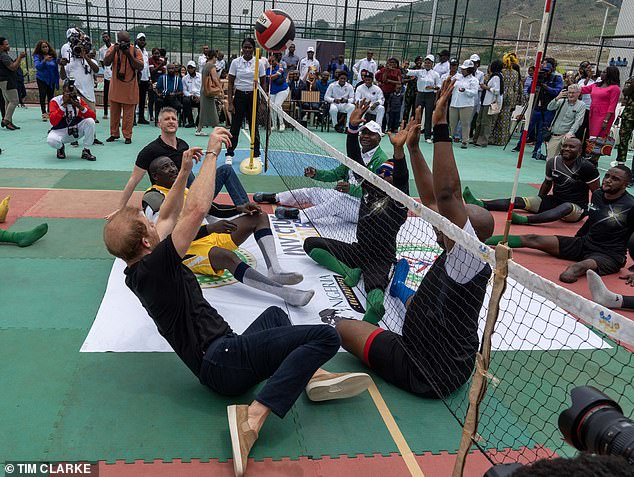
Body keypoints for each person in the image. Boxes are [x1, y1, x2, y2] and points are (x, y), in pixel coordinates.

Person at [103, 128, 371, 477]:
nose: (151, 221)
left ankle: (312, 375)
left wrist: (184, 170)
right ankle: (253, 417)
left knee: (276, 314)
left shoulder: (142, 268)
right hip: (222, 361)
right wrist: (213, 154)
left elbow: (167, 217)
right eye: (145, 222)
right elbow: (195, 209)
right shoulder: (157, 266)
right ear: (144, 243)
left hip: (221, 357)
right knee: (325, 337)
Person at [336, 85, 495, 400]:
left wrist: (441, 126)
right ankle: (403, 290)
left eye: (450, 222)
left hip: (425, 369)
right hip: (441, 350)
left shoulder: (468, 258)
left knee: (342, 328)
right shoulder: (462, 254)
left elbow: (447, 195)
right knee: (415, 302)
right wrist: (413, 149)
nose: (440, 221)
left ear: (465, 232)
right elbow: (433, 201)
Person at [142, 156, 314, 306]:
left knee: (259, 216)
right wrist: (210, 229)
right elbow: (166, 238)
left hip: (209, 235)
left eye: (172, 164)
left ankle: (275, 270)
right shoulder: (153, 196)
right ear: (155, 176)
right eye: (165, 167)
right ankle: (285, 293)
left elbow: (212, 208)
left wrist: (240, 208)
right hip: (185, 250)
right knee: (227, 257)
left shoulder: (183, 189)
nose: (172, 169)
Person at [303, 100, 409, 324]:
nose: (382, 176)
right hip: (359, 250)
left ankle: (374, 310)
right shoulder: (370, 188)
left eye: (387, 175)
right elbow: (354, 159)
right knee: (311, 244)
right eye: (380, 174)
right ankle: (348, 271)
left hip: (381, 258)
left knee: (374, 287)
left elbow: (401, 178)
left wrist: (399, 151)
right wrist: (351, 129)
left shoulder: (399, 202)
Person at [487, 165, 634, 283]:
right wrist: (577, 239)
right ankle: (481, 240)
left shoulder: (630, 206)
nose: (608, 180)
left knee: (574, 270)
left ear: (626, 184)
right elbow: (591, 221)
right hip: (584, 244)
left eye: (615, 179)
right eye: (607, 176)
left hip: (609, 256)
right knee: (532, 238)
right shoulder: (597, 195)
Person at [254, 106, 389, 225]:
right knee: (312, 192)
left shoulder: (381, 160)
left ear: (379, 137)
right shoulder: (356, 154)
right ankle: (275, 197)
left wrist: (350, 189)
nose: (365, 136)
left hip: (363, 210)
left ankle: (298, 214)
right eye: (363, 132)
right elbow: (336, 174)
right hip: (345, 197)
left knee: (338, 201)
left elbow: (375, 194)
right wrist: (316, 173)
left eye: (370, 134)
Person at [110, 107, 249, 217]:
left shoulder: (183, 145)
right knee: (185, 174)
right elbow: (133, 180)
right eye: (166, 119)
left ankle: (247, 209)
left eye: (173, 119)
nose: (171, 121)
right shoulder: (150, 151)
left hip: (192, 193)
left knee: (226, 170)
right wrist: (119, 209)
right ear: (159, 124)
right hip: (172, 199)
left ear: (177, 123)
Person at [465, 137, 599, 225]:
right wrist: (540, 200)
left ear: (580, 151)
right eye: (565, 146)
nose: (567, 149)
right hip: (555, 201)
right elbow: (547, 183)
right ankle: (482, 204)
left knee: (566, 206)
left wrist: (594, 215)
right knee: (522, 200)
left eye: (572, 147)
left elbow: (597, 193)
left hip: (575, 209)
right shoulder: (553, 162)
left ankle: (526, 220)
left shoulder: (587, 167)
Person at [225, 38, 265, 166]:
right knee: (235, 126)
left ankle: (257, 154)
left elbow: (263, 83)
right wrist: (230, 102)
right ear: (242, 48)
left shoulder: (259, 63)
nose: (247, 50)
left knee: (254, 126)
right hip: (240, 96)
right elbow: (230, 83)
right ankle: (229, 154)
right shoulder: (236, 63)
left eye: (250, 47)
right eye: (245, 47)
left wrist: (263, 102)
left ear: (254, 49)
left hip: (253, 96)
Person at [102, 30, 144, 144]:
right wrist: (115, 50)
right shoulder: (113, 48)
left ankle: (127, 136)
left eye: (127, 41)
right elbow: (106, 63)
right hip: (116, 88)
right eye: (122, 41)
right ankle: (114, 134)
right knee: (114, 113)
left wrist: (128, 54)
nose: (125, 44)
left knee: (128, 116)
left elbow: (140, 66)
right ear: (118, 41)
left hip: (130, 89)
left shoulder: (135, 50)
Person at [47, 79, 97, 161]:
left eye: (72, 92)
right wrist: (64, 105)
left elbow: (93, 117)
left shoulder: (78, 100)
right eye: (67, 92)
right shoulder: (55, 101)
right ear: (63, 91)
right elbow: (53, 121)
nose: (70, 95)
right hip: (60, 131)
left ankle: (86, 150)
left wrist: (79, 106)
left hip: (76, 130)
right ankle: (60, 147)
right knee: (51, 140)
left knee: (90, 122)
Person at [580, 66, 621, 165]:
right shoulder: (596, 85)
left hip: (604, 116)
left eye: (604, 72)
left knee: (600, 138)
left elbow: (612, 105)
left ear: (610, 75)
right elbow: (583, 89)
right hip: (593, 114)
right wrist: (571, 88)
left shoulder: (615, 88)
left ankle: (594, 160)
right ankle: (590, 157)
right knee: (592, 136)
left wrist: (606, 120)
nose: (601, 74)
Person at [543, 84, 586, 159]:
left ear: (578, 94)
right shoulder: (561, 101)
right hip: (555, 134)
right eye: (569, 92)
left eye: (573, 93)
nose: (570, 95)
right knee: (550, 159)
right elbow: (550, 108)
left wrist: (570, 133)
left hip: (567, 136)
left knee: (567, 159)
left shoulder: (581, 105)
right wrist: (557, 98)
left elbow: (578, 121)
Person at [406, 54, 441, 143]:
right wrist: (405, 67)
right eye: (425, 62)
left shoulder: (435, 74)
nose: (427, 64)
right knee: (417, 114)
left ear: (432, 64)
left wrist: (433, 88)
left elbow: (439, 86)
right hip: (420, 95)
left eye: (429, 63)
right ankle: (414, 134)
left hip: (430, 96)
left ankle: (427, 136)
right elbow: (408, 72)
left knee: (428, 115)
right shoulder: (420, 72)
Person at [490, 52, 521, 146]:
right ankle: (502, 140)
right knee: (505, 119)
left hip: (500, 95)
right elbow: (516, 88)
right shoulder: (515, 73)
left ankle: (492, 138)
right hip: (510, 97)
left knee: (494, 117)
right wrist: (514, 102)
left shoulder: (501, 72)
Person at [473, 59, 504, 148]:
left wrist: (486, 87)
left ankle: (483, 140)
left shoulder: (496, 77)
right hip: (485, 101)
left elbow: (497, 91)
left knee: (486, 122)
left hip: (490, 102)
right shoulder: (494, 76)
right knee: (480, 121)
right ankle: (476, 139)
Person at [449, 60, 480, 149]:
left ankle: (464, 141)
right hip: (454, 103)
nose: (462, 71)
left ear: (469, 70)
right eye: (462, 69)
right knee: (452, 123)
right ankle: (450, 138)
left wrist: (465, 91)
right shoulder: (458, 78)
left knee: (465, 123)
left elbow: (474, 92)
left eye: (464, 69)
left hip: (466, 104)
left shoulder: (474, 80)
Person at [0, 37, 26, 130]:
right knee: (14, 100)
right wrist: (20, 57)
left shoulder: (3, 55)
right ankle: (6, 120)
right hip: (7, 81)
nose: (8, 45)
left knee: (8, 101)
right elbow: (13, 67)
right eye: (6, 44)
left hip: (3, 81)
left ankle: (9, 122)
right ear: (1, 46)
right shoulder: (3, 56)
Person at [33, 40, 60, 121]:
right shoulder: (37, 56)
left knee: (51, 96)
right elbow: (38, 67)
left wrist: (57, 80)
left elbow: (55, 67)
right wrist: (44, 60)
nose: (45, 48)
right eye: (43, 47)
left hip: (51, 79)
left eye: (46, 46)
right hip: (42, 78)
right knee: (43, 94)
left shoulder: (52, 55)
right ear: (40, 48)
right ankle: (44, 112)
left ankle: (49, 112)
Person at [196, 51, 221, 136]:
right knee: (210, 110)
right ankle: (216, 128)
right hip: (208, 91)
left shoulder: (205, 65)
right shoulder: (211, 66)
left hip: (204, 90)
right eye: (216, 57)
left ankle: (200, 129)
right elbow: (214, 78)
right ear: (213, 57)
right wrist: (220, 88)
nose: (216, 59)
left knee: (205, 110)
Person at [266, 55, 289, 132]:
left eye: (272, 61)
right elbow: (269, 78)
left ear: (276, 61)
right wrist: (271, 76)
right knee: (272, 107)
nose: (271, 63)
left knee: (277, 105)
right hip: (272, 91)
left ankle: (282, 124)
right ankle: (274, 125)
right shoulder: (268, 69)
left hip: (283, 90)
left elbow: (273, 77)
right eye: (269, 61)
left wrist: (271, 76)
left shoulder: (280, 67)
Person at [615, 75, 634, 166]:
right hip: (629, 115)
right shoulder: (632, 79)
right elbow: (625, 92)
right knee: (623, 139)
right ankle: (620, 162)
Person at [576, 61, 594, 144]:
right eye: (588, 69)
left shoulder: (594, 81)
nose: (590, 70)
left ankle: (585, 150)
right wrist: (588, 78)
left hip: (592, 109)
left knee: (589, 130)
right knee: (581, 129)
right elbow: (582, 90)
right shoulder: (581, 81)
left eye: (590, 68)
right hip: (584, 108)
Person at [148, 47, 166, 122]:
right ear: (152, 54)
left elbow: (164, 72)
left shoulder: (162, 60)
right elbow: (152, 71)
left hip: (160, 82)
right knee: (151, 99)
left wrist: (159, 67)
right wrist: (161, 65)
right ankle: (151, 115)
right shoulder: (150, 60)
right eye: (155, 53)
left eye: (158, 53)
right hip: (152, 81)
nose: (157, 55)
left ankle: (159, 115)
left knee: (160, 99)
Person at [135, 33, 151, 124]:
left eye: (143, 39)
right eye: (140, 39)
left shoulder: (145, 52)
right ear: (137, 40)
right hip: (137, 78)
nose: (142, 41)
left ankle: (141, 117)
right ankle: (133, 118)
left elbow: (147, 66)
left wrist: (149, 77)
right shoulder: (134, 50)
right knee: (134, 98)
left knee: (142, 99)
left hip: (144, 78)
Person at [98, 32, 113, 119]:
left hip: (115, 75)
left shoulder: (115, 47)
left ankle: (119, 112)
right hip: (107, 75)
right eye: (103, 37)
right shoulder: (101, 50)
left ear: (109, 38)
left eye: (106, 37)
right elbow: (102, 62)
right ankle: (105, 113)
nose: (105, 38)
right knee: (106, 94)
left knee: (118, 94)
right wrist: (107, 69)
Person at [182, 60, 201, 128]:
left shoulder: (201, 77)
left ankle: (199, 122)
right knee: (185, 101)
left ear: (195, 68)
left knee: (203, 102)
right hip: (190, 97)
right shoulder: (184, 78)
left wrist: (200, 97)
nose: (190, 69)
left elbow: (203, 89)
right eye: (189, 68)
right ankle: (191, 122)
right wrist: (191, 96)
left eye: (192, 68)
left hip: (199, 96)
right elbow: (184, 90)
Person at [402, 56, 421, 122]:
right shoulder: (411, 70)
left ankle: (412, 124)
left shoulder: (423, 71)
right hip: (409, 92)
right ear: (415, 62)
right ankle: (404, 124)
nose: (419, 62)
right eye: (418, 60)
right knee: (407, 108)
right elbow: (403, 80)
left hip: (417, 92)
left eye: (420, 61)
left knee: (415, 109)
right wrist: (410, 79)